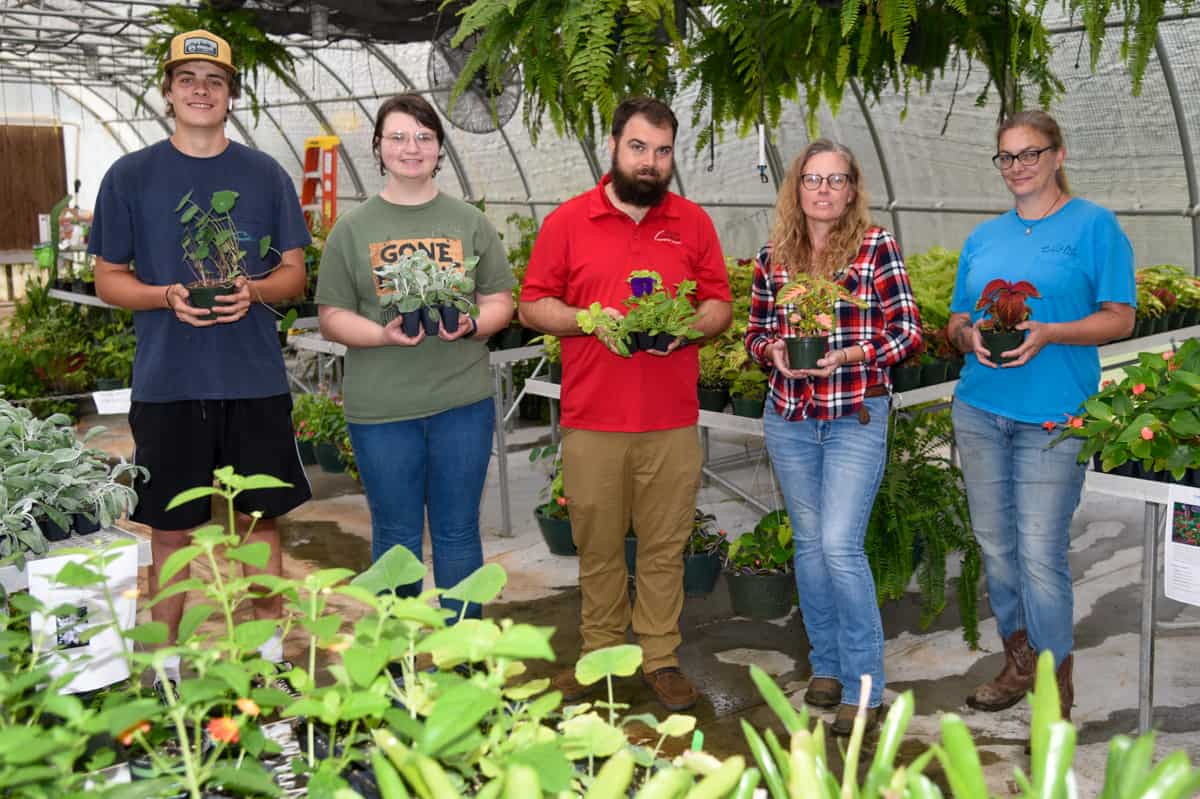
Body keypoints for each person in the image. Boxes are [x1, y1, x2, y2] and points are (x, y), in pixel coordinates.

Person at [89, 30, 312, 692]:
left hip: (252, 382)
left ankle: (269, 661)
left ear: (231, 96)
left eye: (213, 81)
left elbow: (294, 273)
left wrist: (256, 290)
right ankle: (164, 671)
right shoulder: (130, 176)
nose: (200, 90)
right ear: (167, 93)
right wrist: (164, 296)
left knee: (259, 524)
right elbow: (108, 278)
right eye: (186, 79)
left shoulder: (264, 173)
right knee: (170, 531)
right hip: (168, 384)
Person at [520, 96, 732, 712]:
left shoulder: (692, 223)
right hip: (594, 420)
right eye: (639, 147)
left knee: (666, 546)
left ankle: (660, 657)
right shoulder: (568, 222)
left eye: (662, 151)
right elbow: (534, 303)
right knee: (599, 547)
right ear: (613, 145)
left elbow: (718, 303)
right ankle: (601, 658)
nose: (650, 162)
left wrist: (689, 327)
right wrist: (587, 319)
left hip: (670, 421)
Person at [947, 110, 1135, 721]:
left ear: (1058, 154)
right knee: (996, 547)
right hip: (980, 408)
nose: (1018, 167)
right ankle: (1018, 661)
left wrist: (1051, 331)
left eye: (1031, 154)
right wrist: (966, 336)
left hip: (1052, 419)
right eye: (1007, 157)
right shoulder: (984, 238)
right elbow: (954, 319)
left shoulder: (1094, 227)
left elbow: (1121, 317)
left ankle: (1055, 688)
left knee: (1039, 553)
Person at [744, 139, 921, 735]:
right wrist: (772, 350)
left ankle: (866, 683)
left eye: (835, 180)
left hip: (855, 416)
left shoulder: (875, 248)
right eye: (812, 179)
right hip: (789, 418)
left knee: (842, 547)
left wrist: (850, 353)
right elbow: (755, 333)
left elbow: (907, 332)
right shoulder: (774, 256)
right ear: (796, 188)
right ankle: (827, 666)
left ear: (852, 189)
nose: (823, 190)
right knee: (811, 546)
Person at [315, 94, 514, 619]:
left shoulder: (468, 220)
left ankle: (464, 660)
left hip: (461, 402)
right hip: (382, 412)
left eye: (424, 137)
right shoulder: (353, 229)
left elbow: (500, 299)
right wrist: (382, 335)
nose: (412, 148)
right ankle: (397, 663)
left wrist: (474, 323)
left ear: (439, 149)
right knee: (397, 538)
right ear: (378, 147)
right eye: (399, 137)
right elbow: (332, 313)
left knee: (457, 532)